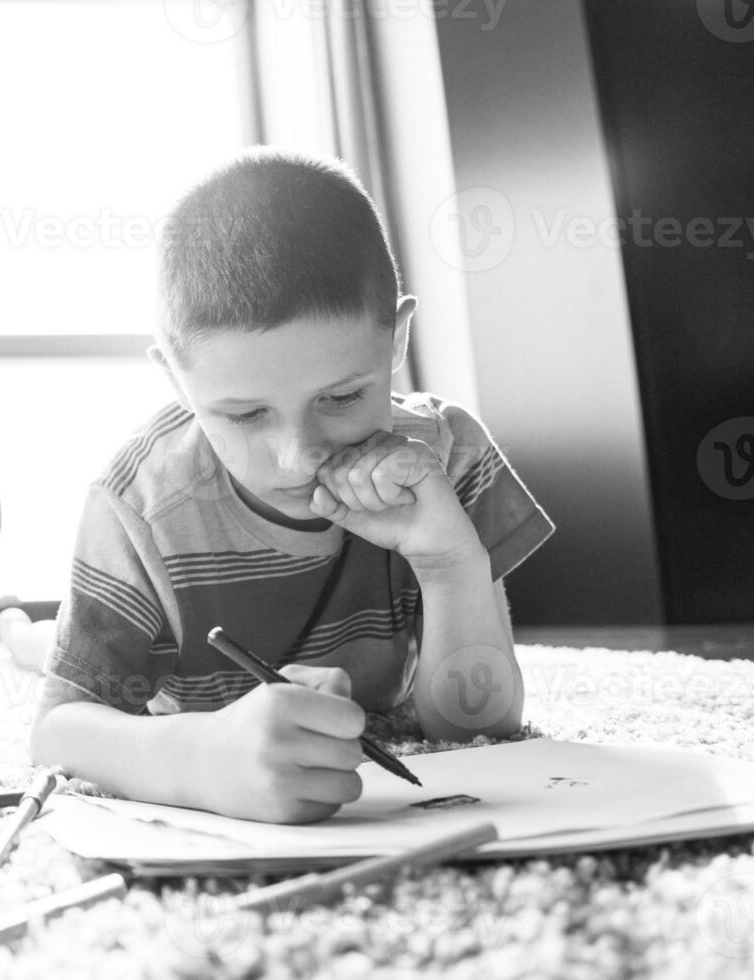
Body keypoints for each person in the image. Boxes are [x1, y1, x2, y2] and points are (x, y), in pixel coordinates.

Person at [29, 148, 555, 824]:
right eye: (244, 414)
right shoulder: (136, 503)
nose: (294, 458)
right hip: (185, 695)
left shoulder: (443, 460)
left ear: (394, 341)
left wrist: (450, 562)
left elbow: (474, 729)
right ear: (175, 380)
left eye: (340, 397)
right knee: (62, 656)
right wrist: (194, 757)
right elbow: (58, 729)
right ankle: (29, 637)